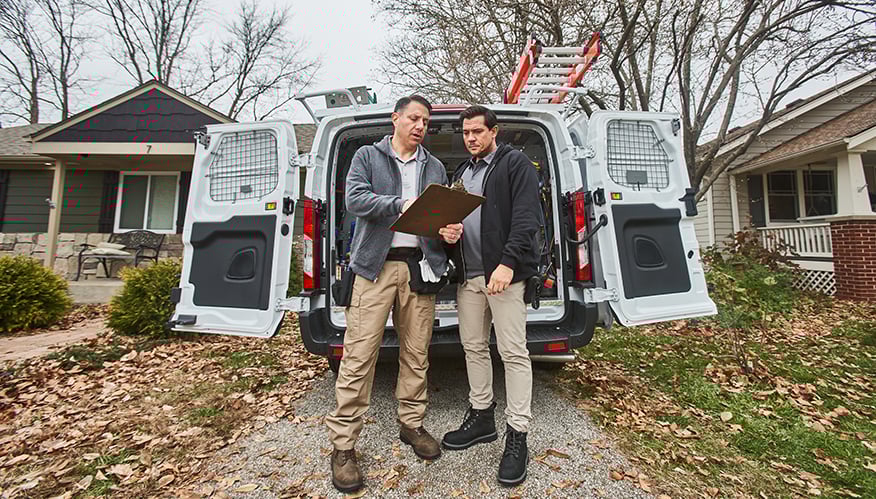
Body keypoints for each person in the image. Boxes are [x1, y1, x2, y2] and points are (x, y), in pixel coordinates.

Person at [326, 94, 462, 493]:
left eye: (426, 122)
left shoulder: (434, 166)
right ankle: (343, 447)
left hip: (419, 268)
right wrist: (402, 202)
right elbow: (355, 200)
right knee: (359, 356)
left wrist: (447, 231)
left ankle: (412, 424)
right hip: (374, 268)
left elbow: (436, 217)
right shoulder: (368, 156)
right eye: (414, 118)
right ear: (396, 119)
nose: (420, 126)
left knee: (417, 353)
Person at [438, 105, 541, 487]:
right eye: (466, 133)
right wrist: (448, 236)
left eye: (477, 132)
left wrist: (509, 263)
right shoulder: (462, 174)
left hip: (504, 277)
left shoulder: (515, 164)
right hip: (470, 277)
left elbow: (526, 218)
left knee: (513, 352)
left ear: (493, 131)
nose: (470, 138)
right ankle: (482, 417)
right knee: (474, 348)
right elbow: (456, 222)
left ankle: (518, 433)